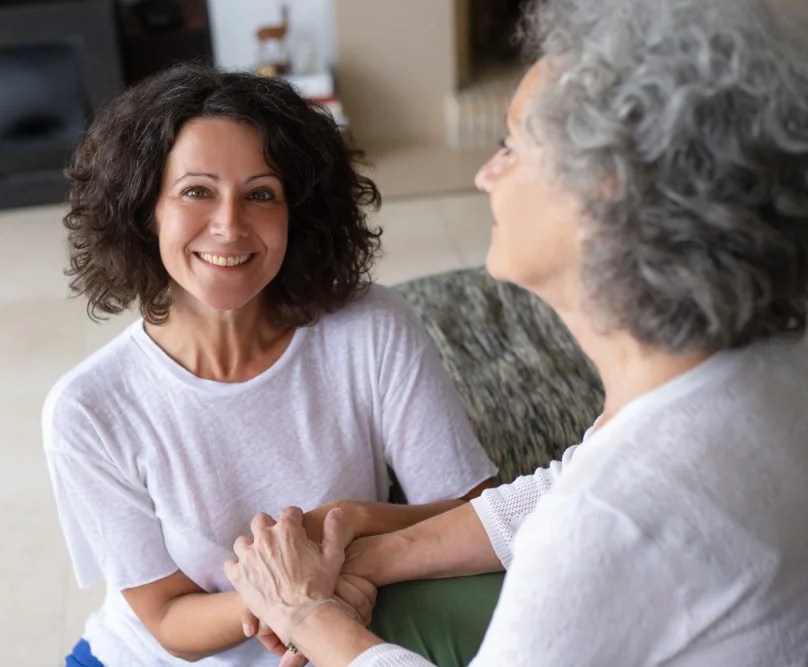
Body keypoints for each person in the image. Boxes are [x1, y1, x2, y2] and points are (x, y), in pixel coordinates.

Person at [223, 0, 808, 664]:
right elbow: (575, 480)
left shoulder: (606, 520)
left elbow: (603, 509)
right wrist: (379, 555)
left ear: (605, 193)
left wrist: (308, 614)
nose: (484, 174)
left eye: (512, 146)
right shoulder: (797, 334)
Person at [43, 64, 498, 667]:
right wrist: (294, 595)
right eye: (196, 191)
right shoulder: (87, 408)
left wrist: (351, 522)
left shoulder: (372, 330)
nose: (229, 225)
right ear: (144, 208)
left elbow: (478, 522)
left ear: (298, 214)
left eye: (261, 194)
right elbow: (166, 620)